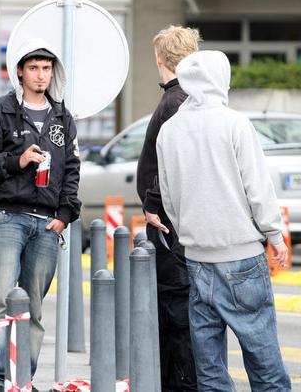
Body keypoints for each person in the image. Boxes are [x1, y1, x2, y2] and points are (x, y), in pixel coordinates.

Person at [156, 50, 291, 391]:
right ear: (222, 79)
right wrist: (275, 235)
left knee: (210, 368)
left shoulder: (168, 131)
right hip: (241, 254)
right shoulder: (234, 123)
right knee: (263, 362)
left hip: (196, 258)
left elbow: (169, 198)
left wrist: (189, 233)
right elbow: (257, 188)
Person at [0, 38, 81, 392]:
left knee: (33, 309)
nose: (41, 75)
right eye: (34, 68)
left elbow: (72, 169)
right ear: (20, 71)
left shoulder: (63, 117)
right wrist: (16, 161)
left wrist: (65, 214)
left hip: (47, 222)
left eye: (46, 68)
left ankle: (22, 379)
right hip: (6, 216)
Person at [135, 25, 200, 391]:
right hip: (175, 222)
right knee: (174, 313)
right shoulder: (185, 97)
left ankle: (181, 385)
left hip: (168, 226)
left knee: (176, 313)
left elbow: (173, 163)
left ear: (159, 58)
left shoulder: (176, 101)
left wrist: (154, 203)